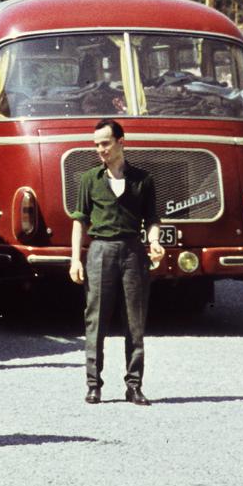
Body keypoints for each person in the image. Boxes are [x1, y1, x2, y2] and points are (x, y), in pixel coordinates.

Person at [68, 118, 164, 407]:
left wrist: (155, 241)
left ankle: (134, 386)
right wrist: (75, 259)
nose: (100, 150)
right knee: (96, 320)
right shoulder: (89, 179)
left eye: (105, 143)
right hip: (99, 252)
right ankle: (93, 385)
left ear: (121, 142)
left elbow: (153, 219)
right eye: (96, 144)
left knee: (135, 321)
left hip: (134, 252)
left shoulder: (143, 180)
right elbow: (78, 221)